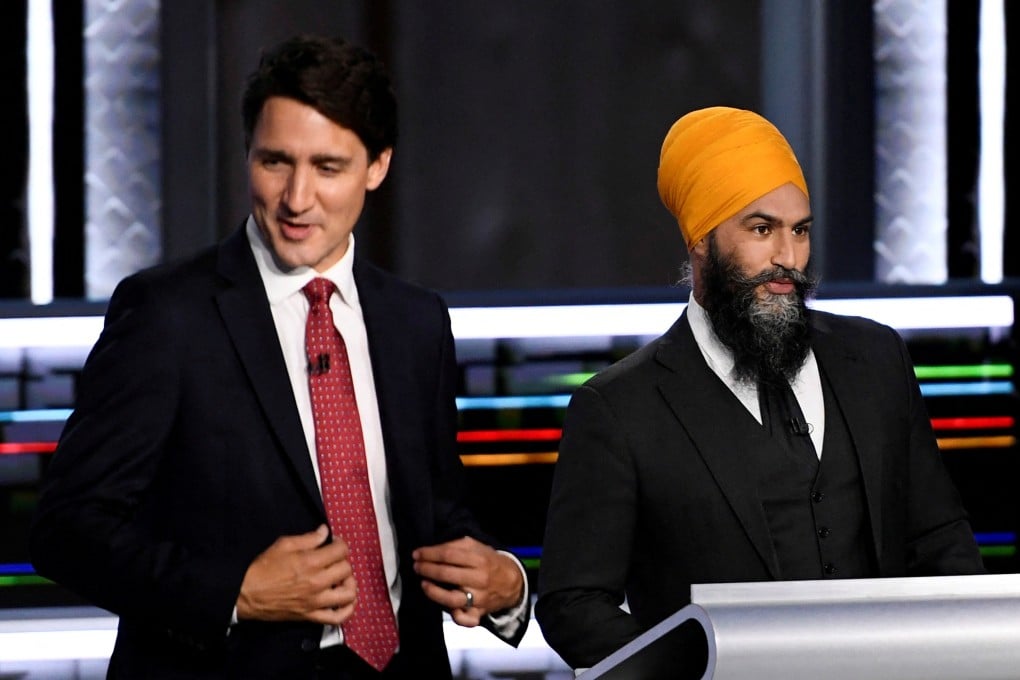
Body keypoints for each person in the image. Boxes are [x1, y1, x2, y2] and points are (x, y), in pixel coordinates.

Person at [30, 34, 528, 679]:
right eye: (274, 162)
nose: (296, 199)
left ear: (377, 167)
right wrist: (234, 593)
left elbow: (438, 517)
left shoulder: (416, 321)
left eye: (327, 167)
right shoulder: (167, 314)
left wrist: (505, 586)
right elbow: (67, 531)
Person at [534, 106, 984, 670]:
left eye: (800, 231)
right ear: (701, 240)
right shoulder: (620, 409)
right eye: (761, 229)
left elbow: (940, 537)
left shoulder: (875, 359)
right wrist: (692, 669)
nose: (787, 259)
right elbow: (574, 604)